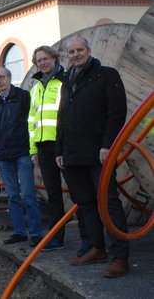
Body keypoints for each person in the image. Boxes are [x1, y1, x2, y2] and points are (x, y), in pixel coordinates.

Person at [56, 36, 129, 278]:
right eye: (71, 52)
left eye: (79, 50)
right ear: (67, 56)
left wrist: (107, 145)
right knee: (85, 204)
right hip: (73, 155)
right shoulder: (68, 80)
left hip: (99, 154)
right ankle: (97, 248)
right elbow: (62, 118)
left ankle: (120, 257)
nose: (75, 54)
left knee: (108, 203)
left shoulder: (106, 75)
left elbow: (117, 113)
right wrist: (59, 151)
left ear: (88, 50)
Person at [28, 46, 89, 254]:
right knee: (53, 195)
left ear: (55, 59)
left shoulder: (66, 80)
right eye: (38, 60)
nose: (42, 62)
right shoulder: (35, 86)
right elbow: (32, 120)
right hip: (44, 147)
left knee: (77, 191)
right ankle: (57, 237)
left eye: (46, 58)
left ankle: (87, 239)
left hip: (64, 144)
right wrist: (33, 148)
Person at [0, 67, 43, 247]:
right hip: (4, 157)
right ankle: (19, 232)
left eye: (2, 77)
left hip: (22, 154)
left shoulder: (23, 97)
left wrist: (34, 149)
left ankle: (35, 233)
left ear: (10, 78)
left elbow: (34, 123)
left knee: (28, 194)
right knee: (12, 197)